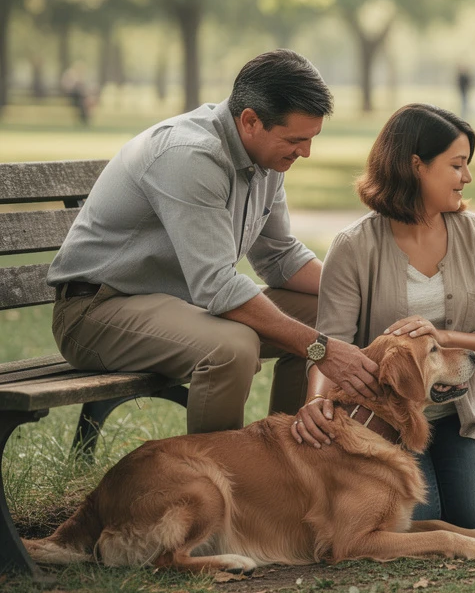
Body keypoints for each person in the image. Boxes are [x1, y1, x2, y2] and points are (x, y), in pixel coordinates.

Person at [48, 49, 379, 434]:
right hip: (96, 312)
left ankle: (290, 451)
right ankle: (218, 470)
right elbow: (217, 285)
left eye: (311, 139)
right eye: (295, 139)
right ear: (250, 121)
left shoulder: (267, 158)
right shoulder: (190, 155)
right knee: (232, 348)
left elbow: (281, 258)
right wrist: (320, 347)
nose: (305, 152)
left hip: (182, 304)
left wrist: (361, 294)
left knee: (324, 310)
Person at [289, 104, 475, 531]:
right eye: (457, 165)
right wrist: (317, 403)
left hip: (465, 415)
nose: (467, 177)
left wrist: (444, 337)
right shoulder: (353, 246)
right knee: (404, 521)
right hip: (382, 423)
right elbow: (331, 344)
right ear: (417, 166)